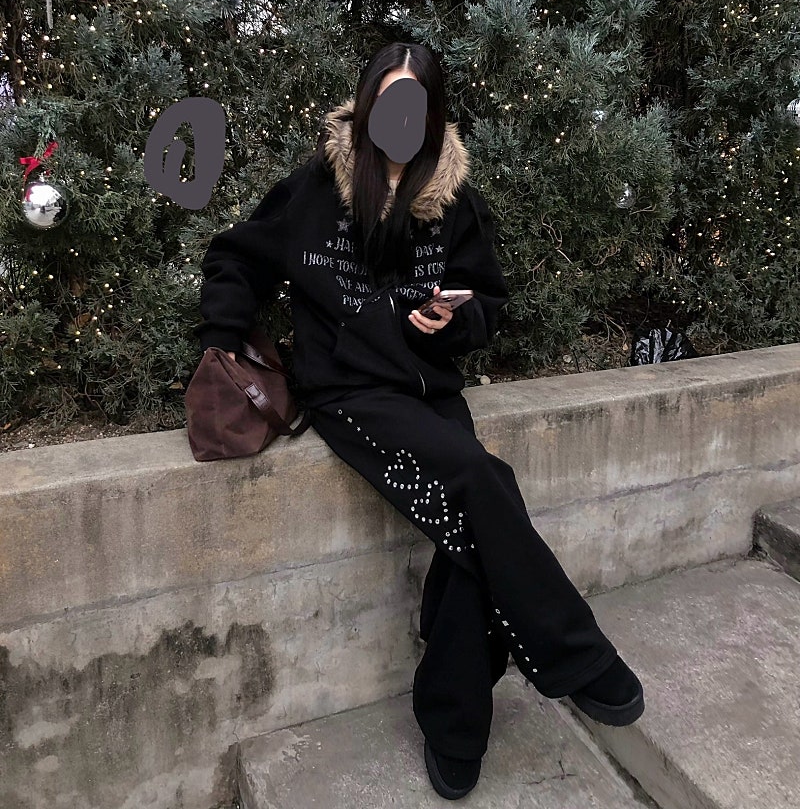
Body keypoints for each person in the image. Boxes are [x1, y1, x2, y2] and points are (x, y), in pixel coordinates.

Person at [195, 41, 645, 800]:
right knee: (481, 478)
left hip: (430, 389)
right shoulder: (317, 187)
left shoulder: (453, 198)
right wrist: (222, 336)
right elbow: (236, 256)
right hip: (350, 391)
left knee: (472, 533)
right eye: (389, 100)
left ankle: (455, 726)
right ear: (369, 103)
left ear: (433, 115)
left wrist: (452, 320)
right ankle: (573, 653)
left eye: (416, 104)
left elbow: (487, 299)